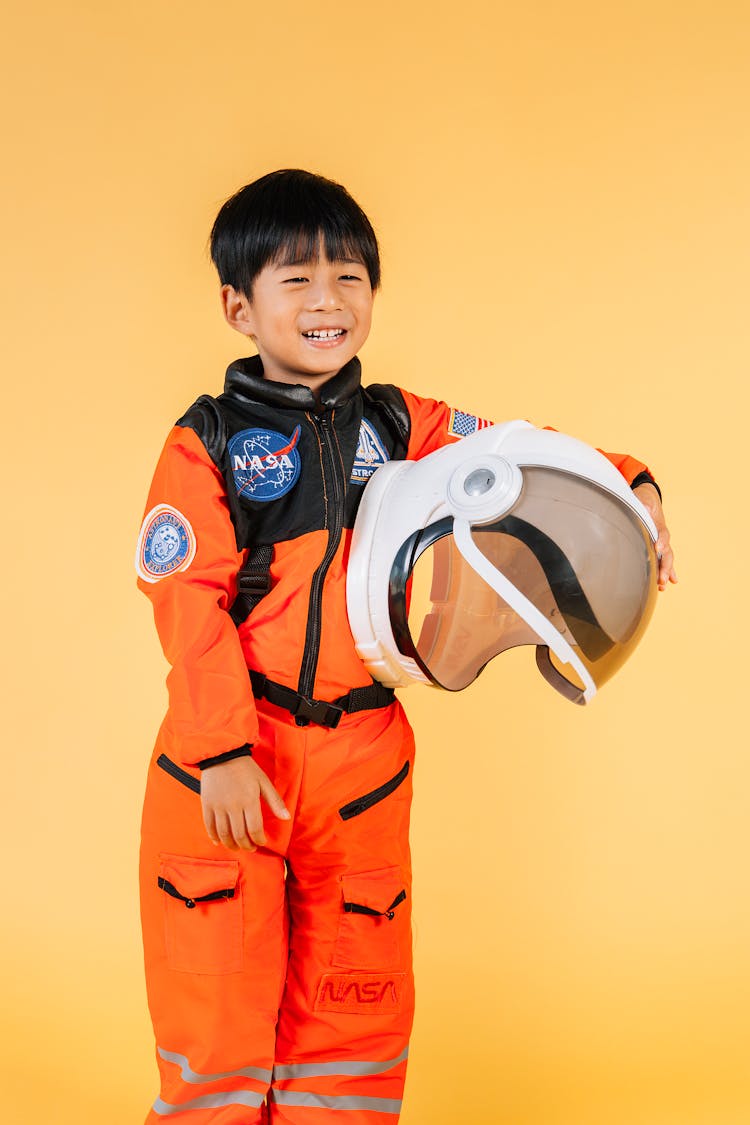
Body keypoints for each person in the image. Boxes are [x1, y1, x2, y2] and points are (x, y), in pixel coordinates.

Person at [136, 169, 676, 1125]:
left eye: (350, 277)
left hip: (363, 762)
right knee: (217, 1019)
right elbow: (188, 602)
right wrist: (218, 749)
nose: (328, 300)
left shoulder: (399, 424)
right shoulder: (207, 442)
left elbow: (519, 452)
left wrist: (629, 481)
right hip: (232, 763)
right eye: (295, 279)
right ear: (238, 306)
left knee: (355, 1015)